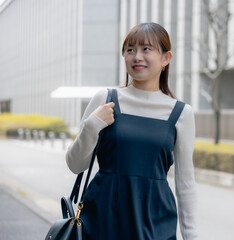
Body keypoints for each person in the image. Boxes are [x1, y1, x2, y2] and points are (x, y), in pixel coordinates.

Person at [66, 22, 198, 240]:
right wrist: (92, 126)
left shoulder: (181, 113)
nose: (137, 57)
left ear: (166, 58)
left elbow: (185, 183)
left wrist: (191, 236)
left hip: (154, 222)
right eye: (130, 50)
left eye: (146, 49)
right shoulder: (105, 100)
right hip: (102, 219)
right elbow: (75, 165)